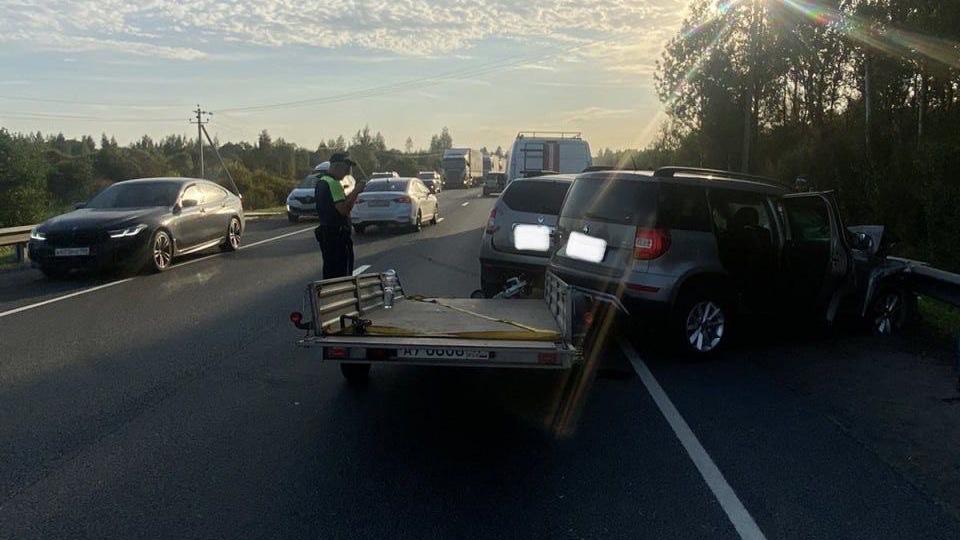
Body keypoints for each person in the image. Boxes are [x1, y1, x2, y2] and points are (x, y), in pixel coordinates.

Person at [314, 152, 363, 278]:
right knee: (341, 276)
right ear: (337, 166)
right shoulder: (334, 184)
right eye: (347, 169)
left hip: (327, 234)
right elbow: (343, 209)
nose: (348, 173)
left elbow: (336, 203)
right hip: (338, 236)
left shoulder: (322, 181)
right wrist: (357, 190)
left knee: (330, 273)